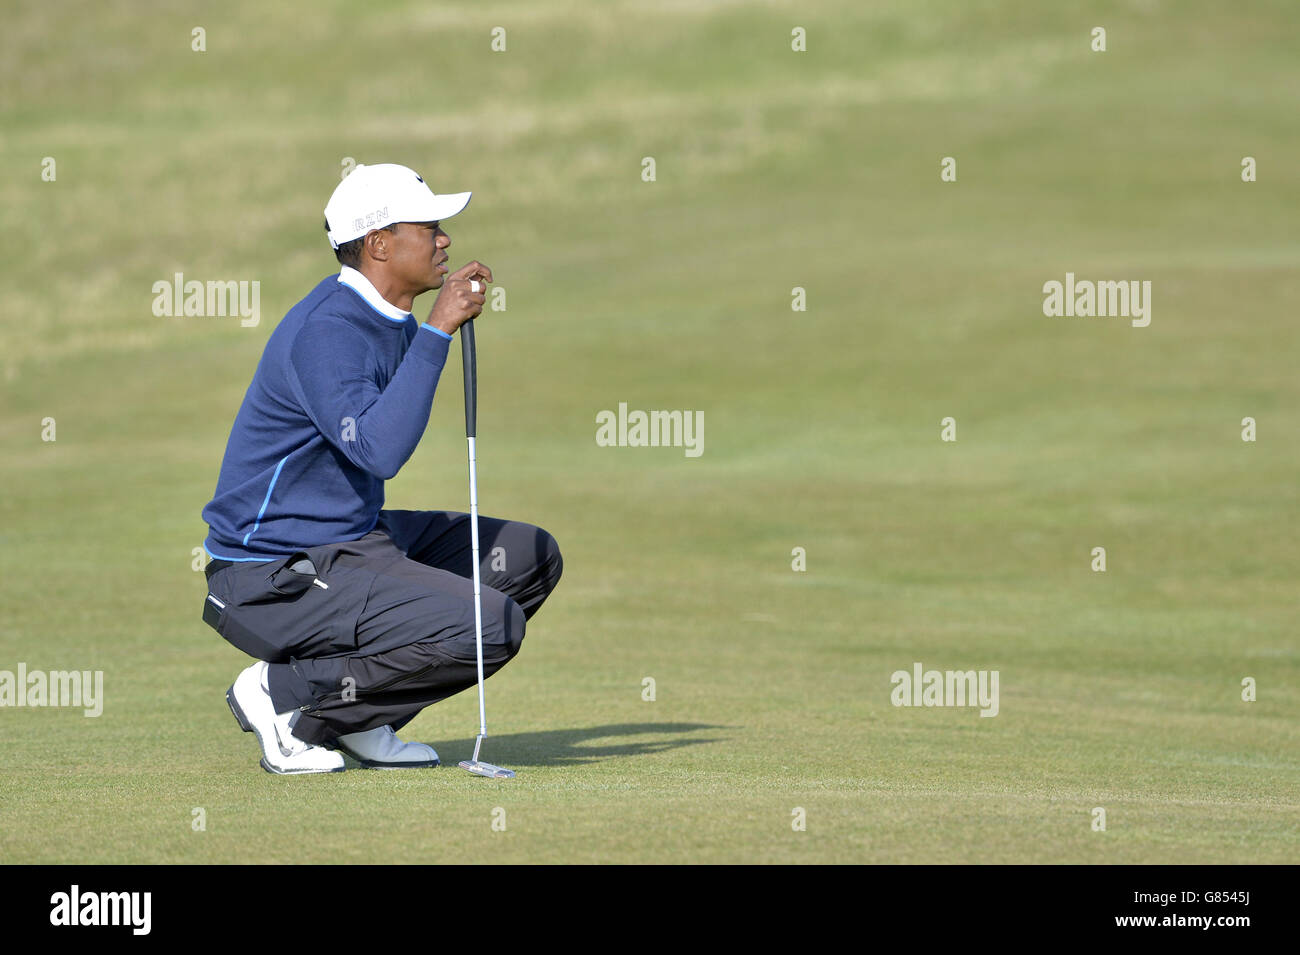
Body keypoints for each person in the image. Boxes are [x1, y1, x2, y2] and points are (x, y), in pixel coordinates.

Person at [199, 163, 563, 774]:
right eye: (430, 227)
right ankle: (281, 696)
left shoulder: (384, 315)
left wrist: (431, 329)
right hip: (269, 576)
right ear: (379, 244)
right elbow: (378, 450)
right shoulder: (327, 330)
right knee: (491, 626)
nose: (445, 239)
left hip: (348, 541)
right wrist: (440, 329)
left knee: (527, 556)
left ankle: (357, 716)